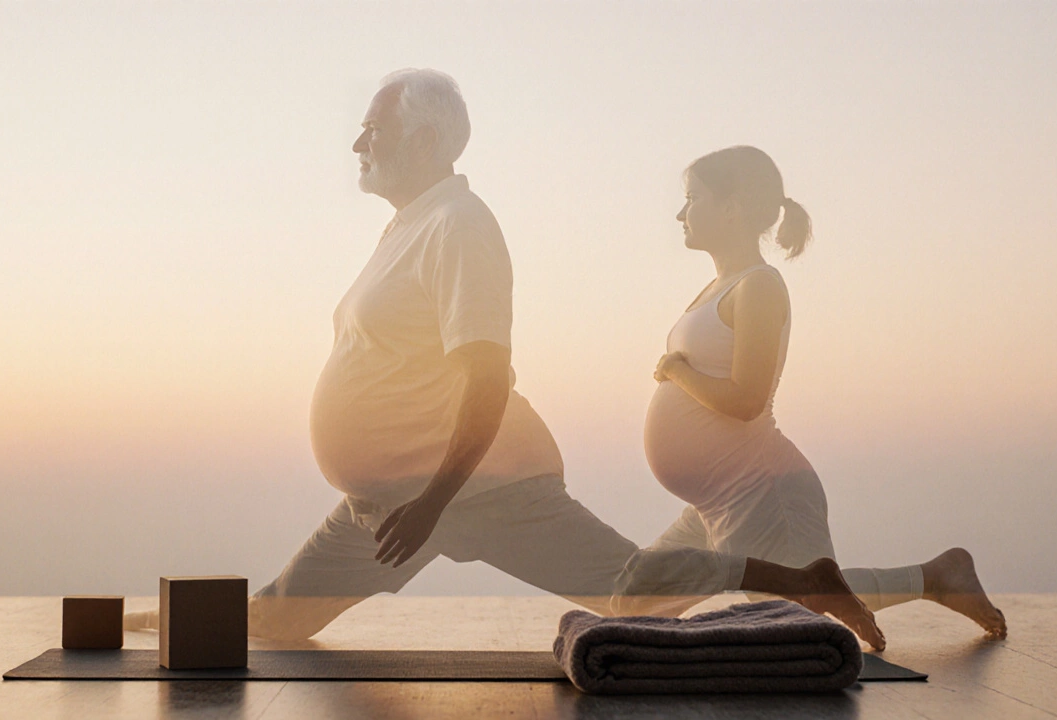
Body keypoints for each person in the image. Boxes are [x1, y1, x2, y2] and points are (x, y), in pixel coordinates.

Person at [126, 72, 886, 649]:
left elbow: (489, 380)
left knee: (628, 597)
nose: (357, 144)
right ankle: (127, 621)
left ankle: (797, 582)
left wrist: (433, 504)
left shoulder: (459, 225)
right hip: (389, 501)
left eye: (371, 130)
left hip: (480, 487)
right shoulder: (408, 228)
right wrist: (409, 503)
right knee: (278, 621)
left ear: (424, 142)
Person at [628, 146, 1006, 640]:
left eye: (692, 198)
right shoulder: (719, 286)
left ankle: (938, 578)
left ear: (731, 207)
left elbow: (746, 400)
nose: (680, 213)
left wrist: (678, 372)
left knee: (801, 610)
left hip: (761, 491)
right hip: (715, 500)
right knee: (633, 601)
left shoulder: (758, 287)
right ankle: (936, 576)